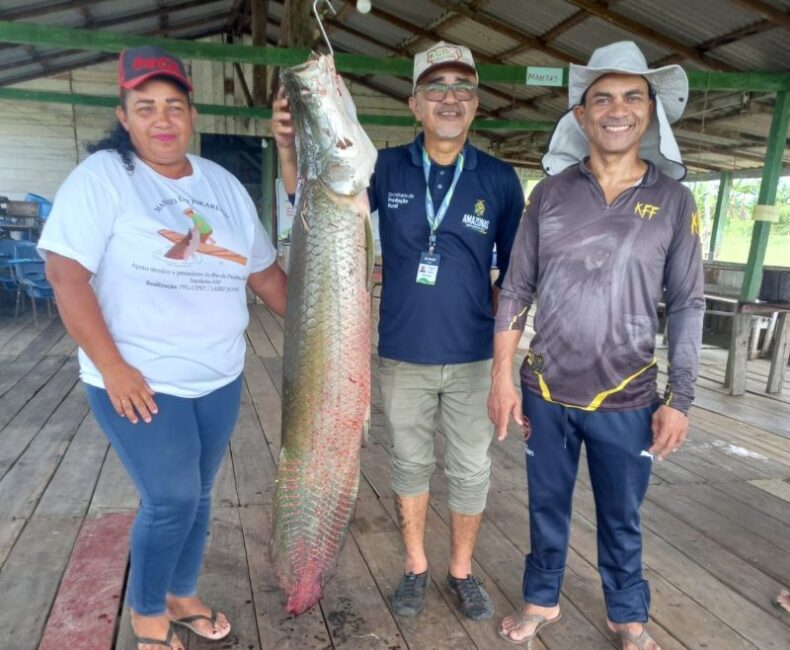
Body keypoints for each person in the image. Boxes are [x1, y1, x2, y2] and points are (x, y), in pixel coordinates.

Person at [38, 46, 287, 650]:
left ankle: (181, 592)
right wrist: (114, 366)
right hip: (139, 378)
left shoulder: (222, 185)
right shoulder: (103, 178)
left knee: (198, 494)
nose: (162, 119)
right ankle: (148, 616)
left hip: (219, 376)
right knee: (171, 496)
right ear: (124, 117)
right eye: (145, 107)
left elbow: (265, 277)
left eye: (174, 105)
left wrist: (335, 325)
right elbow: (65, 277)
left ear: (192, 113)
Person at [272, 41, 524, 620]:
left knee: (470, 470)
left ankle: (460, 571)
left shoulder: (501, 180)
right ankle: (415, 566)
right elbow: (316, 198)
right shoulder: (382, 167)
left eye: (462, 86)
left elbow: (515, 279)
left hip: (471, 358)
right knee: (409, 465)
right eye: (436, 88)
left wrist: (503, 362)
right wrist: (290, 148)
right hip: (401, 355)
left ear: (477, 102)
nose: (449, 98)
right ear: (414, 104)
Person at [488, 41, 704, 649]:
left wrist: (680, 398)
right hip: (546, 388)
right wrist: (503, 377)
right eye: (602, 97)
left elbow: (688, 303)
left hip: (630, 395)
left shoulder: (673, 201)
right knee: (545, 505)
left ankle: (628, 614)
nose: (617, 109)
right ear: (581, 117)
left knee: (622, 516)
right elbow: (515, 290)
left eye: (633, 96)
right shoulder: (549, 196)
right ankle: (540, 600)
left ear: (650, 112)